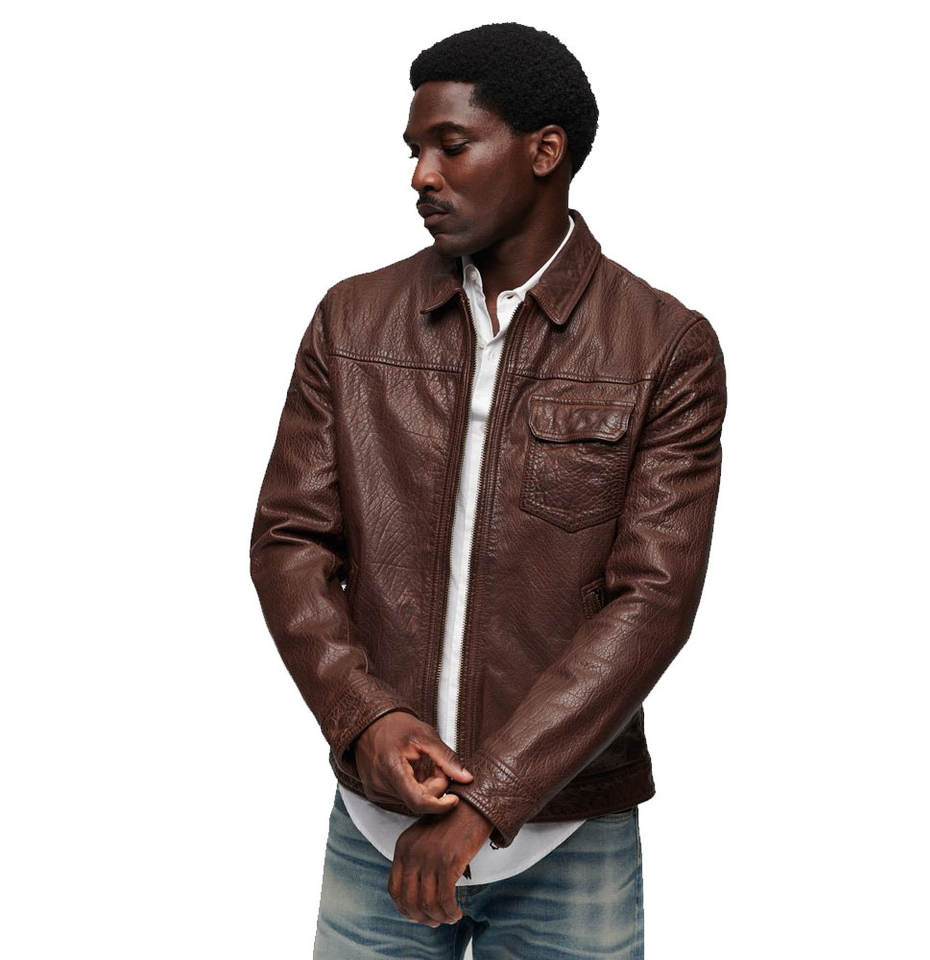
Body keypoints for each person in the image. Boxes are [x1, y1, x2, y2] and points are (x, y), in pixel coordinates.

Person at [249, 21, 727, 959]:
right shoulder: (353, 322)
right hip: (376, 827)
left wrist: (489, 801)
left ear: (545, 152)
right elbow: (290, 543)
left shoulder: (664, 346)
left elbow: (653, 601)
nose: (421, 176)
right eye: (414, 150)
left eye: (451, 145)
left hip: (569, 838)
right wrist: (368, 718)